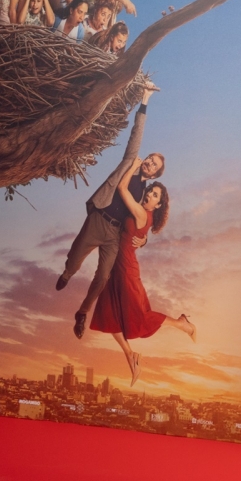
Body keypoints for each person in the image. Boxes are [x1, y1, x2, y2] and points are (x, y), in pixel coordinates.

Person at [57, 89, 165, 339]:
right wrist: (145, 101)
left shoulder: (147, 195)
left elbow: (147, 219)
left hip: (114, 233)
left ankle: (82, 312)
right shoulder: (130, 162)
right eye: (149, 158)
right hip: (98, 220)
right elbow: (135, 136)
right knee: (75, 258)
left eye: (154, 164)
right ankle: (67, 272)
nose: (148, 162)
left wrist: (145, 239)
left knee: (103, 276)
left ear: (156, 174)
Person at [89, 156, 195, 386]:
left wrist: (133, 166)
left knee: (139, 317)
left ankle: (181, 324)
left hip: (126, 269)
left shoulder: (140, 213)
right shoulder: (141, 211)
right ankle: (130, 356)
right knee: (109, 315)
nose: (149, 195)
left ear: (158, 205)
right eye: (151, 192)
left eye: (155, 195)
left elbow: (121, 187)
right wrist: (143, 240)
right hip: (115, 266)